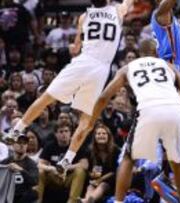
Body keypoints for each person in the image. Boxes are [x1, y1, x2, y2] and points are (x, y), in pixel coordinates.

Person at [8, 0, 135, 172]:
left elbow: (75, 49)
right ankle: (67, 160)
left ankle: (17, 130)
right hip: (101, 70)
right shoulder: (119, 11)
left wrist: (71, 47)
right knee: (85, 119)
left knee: (47, 98)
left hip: (84, 62)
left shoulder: (84, 17)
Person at [90, 39, 180, 203]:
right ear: (157, 53)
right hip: (175, 110)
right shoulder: (169, 66)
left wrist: (91, 120)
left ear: (140, 54)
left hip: (149, 109)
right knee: (177, 162)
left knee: (128, 158)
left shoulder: (127, 68)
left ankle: (118, 202)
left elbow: (104, 96)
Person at [0, 134, 38, 203]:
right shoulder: (5, 162)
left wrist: (21, 170)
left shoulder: (31, 164)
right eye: (19, 142)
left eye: (25, 143)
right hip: (6, 196)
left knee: (33, 194)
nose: (22, 145)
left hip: (22, 197)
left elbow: (34, 181)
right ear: (13, 144)